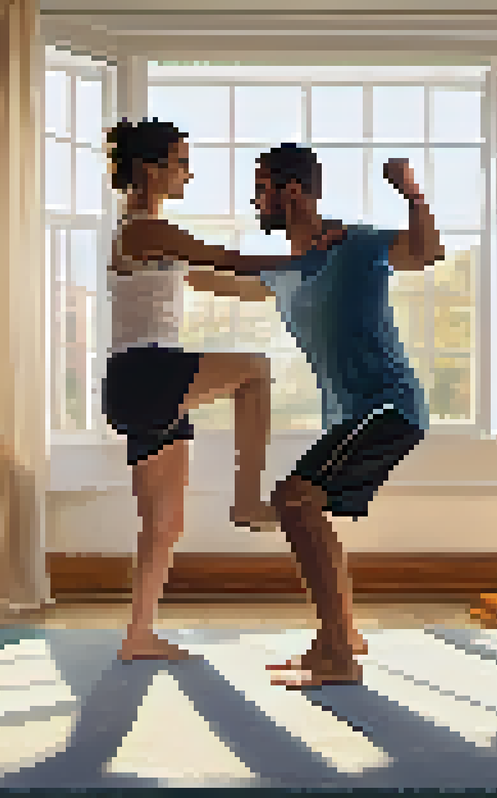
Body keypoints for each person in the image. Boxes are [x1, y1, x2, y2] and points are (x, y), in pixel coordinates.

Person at [189, 145, 444, 687]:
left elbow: (425, 252)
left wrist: (412, 194)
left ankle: (337, 655)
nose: (255, 200)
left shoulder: (357, 243)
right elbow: (217, 279)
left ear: (293, 191)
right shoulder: (284, 270)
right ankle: (342, 637)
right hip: (355, 416)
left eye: (261, 188)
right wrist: (159, 254)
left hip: (388, 405)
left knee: (293, 499)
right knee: (304, 505)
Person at [102, 119, 297, 661]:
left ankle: (138, 635)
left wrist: (298, 285)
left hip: (143, 387)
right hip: (145, 372)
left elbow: (236, 285)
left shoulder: (159, 243)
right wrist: (305, 258)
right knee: (255, 371)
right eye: (181, 162)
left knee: (164, 525)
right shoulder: (143, 229)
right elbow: (231, 260)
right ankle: (248, 500)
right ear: (150, 169)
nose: (189, 172)